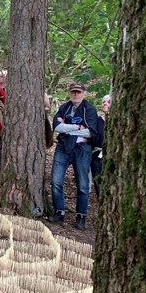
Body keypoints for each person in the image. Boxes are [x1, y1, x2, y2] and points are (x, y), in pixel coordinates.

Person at [48, 83, 101, 231]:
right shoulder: (64, 108)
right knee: (56, 181)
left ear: (84, 93)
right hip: (63, 147)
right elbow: (57, 128)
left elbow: (91, 133)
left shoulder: (89, 110)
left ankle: (81, 216)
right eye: (73, 92)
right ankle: (59, 213)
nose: (75, 95)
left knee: (83, 185)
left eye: (78, 92)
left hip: (82, 148)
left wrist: (67, 128)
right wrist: (77, 127)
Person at [89, 94, 109, 197]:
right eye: (103, 102)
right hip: (97, 157)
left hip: (113, 157)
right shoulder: (96, 121)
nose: (105, 103)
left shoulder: (120, 123)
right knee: (99, 182)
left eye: (108, 102)